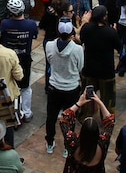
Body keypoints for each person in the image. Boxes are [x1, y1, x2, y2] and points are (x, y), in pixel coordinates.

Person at [44, 17, 84, 155]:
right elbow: (80, 67)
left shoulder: (49, 45)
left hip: (54, 86)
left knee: (51, 116)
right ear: (72, 33)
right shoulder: (77, 49)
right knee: (70, 118)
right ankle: (68, 145)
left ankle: (50, 142)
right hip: (71, 88)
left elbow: (49, 61)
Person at [0, 0, 38, 122]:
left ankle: (12, 112)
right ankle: (26, 112)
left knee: (9, 85)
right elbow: (35, 35)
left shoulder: (5, 24)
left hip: (8, 59)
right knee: (26, 87)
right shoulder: (31, 24)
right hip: (25, 59)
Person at [78, 5, 120, 115]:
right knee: (108, 98)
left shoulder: (87, 28)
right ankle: (107, 118)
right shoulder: (111, 32)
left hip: (89, 67)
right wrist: (115, 32)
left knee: (87, 94)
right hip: (106, 70)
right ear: (104, 17)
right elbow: (119, 46)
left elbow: (81, 39)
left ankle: (85, 115)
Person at [58, 91, 115, 172]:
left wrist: (79, 103)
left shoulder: (73, 141)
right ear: (97, 133)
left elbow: (64, 119)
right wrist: (99, 102)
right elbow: (110, 122)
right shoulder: (103, 142)